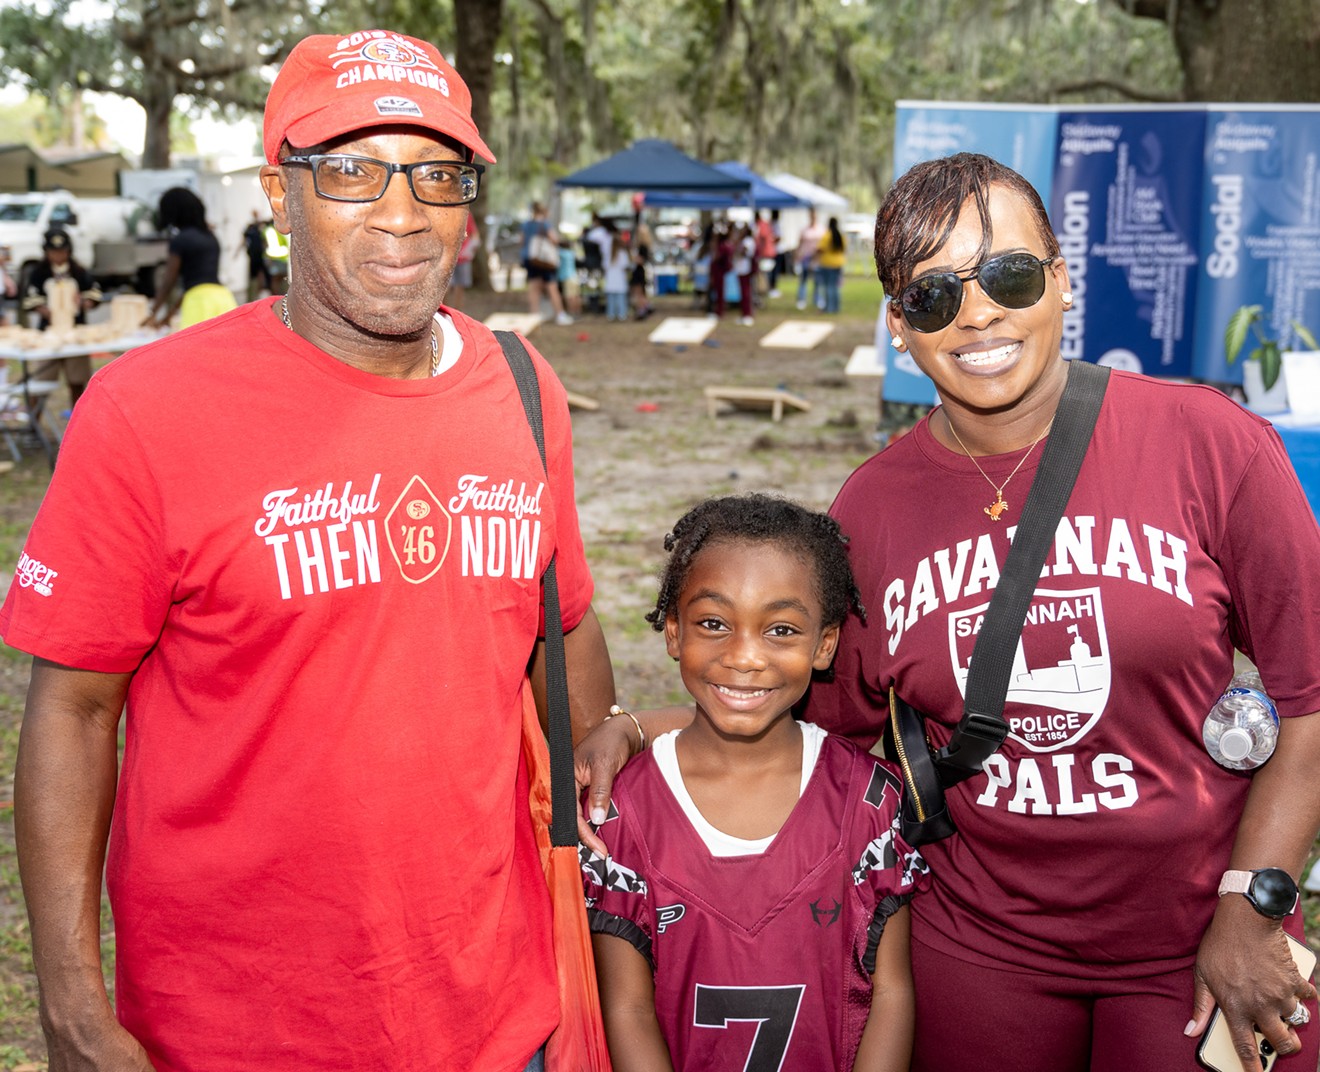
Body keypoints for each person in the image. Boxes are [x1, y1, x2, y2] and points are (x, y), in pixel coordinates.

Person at [574, 150, 1320, 1072]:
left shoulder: (1210, 444)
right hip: (981, 946)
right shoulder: (872, 510)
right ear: (899, 325)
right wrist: (641, 728)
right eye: (932, 296)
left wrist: (1255, 903)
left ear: (1060, 280)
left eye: (1007, 274)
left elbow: (1307, 696)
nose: (976, 313)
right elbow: (822, 719)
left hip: (1197, 936)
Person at [3, 26, 615, 1072]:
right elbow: (72, 706)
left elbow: (560, 618)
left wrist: (603, 737)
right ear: (279, 196)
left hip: (497, 1012)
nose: (402, 211)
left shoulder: (524, 387)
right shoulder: (148, 412)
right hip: (237, 1027)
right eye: (350, 170)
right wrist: (70, 1001)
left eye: (437, 173)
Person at [584, 494, 928, 1072]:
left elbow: (891, 993)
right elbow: (627, 1011)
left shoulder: (869, 799)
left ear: (824, 645)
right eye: (714, 623)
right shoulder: (621, 812)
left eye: (781, 630)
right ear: (672, 632)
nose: (744, 657)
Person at [21, 227, 102, 405]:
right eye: (53, 252)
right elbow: (30, 299)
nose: (58, 256)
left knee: (77, 382)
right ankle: (34, 421)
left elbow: (95, 294)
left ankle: (77, 421)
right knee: (41, 381)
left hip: (75, 332)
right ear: (46, 252)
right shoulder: (39, 273)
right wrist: (43, 309)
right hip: (49, 333)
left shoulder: (79, 271)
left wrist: (84, 302)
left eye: (62, 252)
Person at [144, 187, 237, 329]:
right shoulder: (211, 237)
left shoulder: (180, 240)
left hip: (199, 304)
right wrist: (169, 316)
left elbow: (169, 282)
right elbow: (194, 284)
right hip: (223, 299)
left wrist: (152, 312)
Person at [522, 200, 572, 325]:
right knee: (552, 288)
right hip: (545, 261)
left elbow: (522, 241)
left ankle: (534, 315)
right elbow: (554, 240)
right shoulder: (545, 224)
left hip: (531, 259)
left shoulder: (526, 224)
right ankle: (560, 314)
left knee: (534, 288)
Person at [447, 213, 481, 310]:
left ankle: (456, 314)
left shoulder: (467, 214)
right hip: (449, 258)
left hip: (463, 257)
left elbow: (475, 235)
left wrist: (470, 250)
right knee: (446, 288)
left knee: (459, 288)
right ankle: (445, 314)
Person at [795, 207, 825, 311]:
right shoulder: (804, 230)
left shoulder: (822, 229)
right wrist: (797, 256)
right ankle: (801, 299)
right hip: (805, 258)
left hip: (817, 259)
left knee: (818, 281)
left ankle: (817, 299)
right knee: (803, 279)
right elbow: (799, 244)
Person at [815, 216, 846, 314]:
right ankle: (835, 307)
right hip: (838, 264)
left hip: (827, 264)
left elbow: (820, 248)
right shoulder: (840, 236)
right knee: (835, 287)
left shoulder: (827, 235)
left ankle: (828, 308)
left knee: (828, 286)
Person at [240, 210, 271, 301]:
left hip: (261, 256)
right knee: (254, 277)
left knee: (265, 275)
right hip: (253, 257)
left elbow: (265, 241)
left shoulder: (261, 226)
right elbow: (244, 241)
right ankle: (252, 297)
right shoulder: (250, 228)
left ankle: (264, 293)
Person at [603, 229, 631, 322]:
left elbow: (604, 266)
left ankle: (611, 314)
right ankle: (621, 314)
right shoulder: (622, 254)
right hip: (619, 279)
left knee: (611, 299)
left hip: (611, 280)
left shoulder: (608, 255)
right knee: (620, 299)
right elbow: (625, 266)